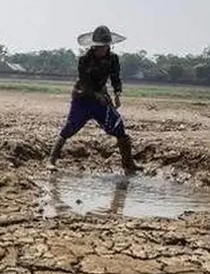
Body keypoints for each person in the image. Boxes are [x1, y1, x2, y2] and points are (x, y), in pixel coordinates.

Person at [48, 25, 143, 175]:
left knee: (118, 126)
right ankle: (51, 160)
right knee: (70, 127)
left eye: (106, 46)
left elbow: (115, 78)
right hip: (82, 98)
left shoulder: (113, 59)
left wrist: (117, 93)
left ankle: (128, 163)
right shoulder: (84, 60)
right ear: (94, 46)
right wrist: (95, 94)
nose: (103, 49)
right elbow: (85, 82)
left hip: (101, 99)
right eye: (100, 46)